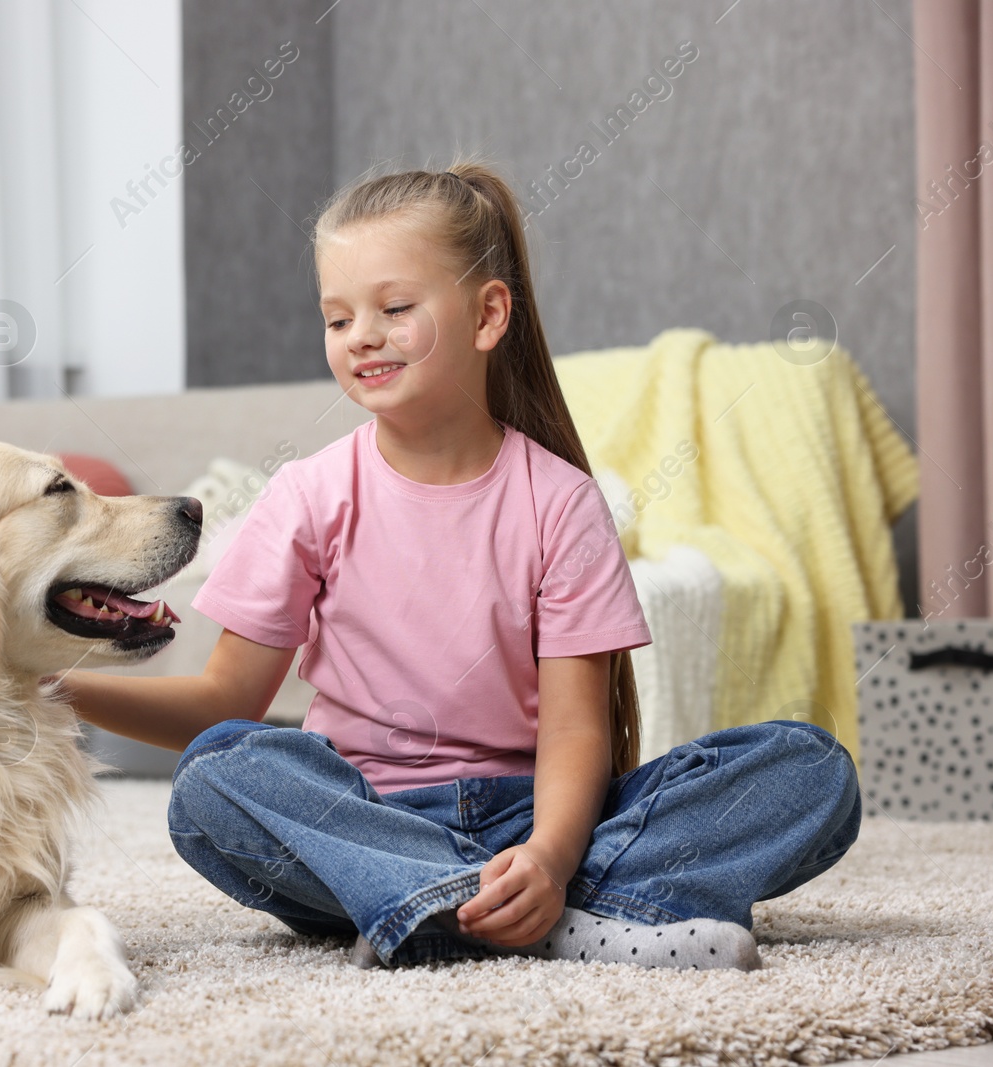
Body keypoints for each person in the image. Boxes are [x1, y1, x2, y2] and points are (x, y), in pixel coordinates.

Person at [53, 160, 862, 971]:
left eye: (394, 308)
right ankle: (552, 917)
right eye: (337, 319)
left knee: (811, 770)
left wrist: (547, 855)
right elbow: (224, 701)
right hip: (361, 813)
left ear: (487, 316)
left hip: (535, 820)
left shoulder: (562, 502)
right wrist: (55, 687)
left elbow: (577, 725)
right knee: (216, 778)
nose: (361, 334)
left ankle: (448, 908)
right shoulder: (307, 495)